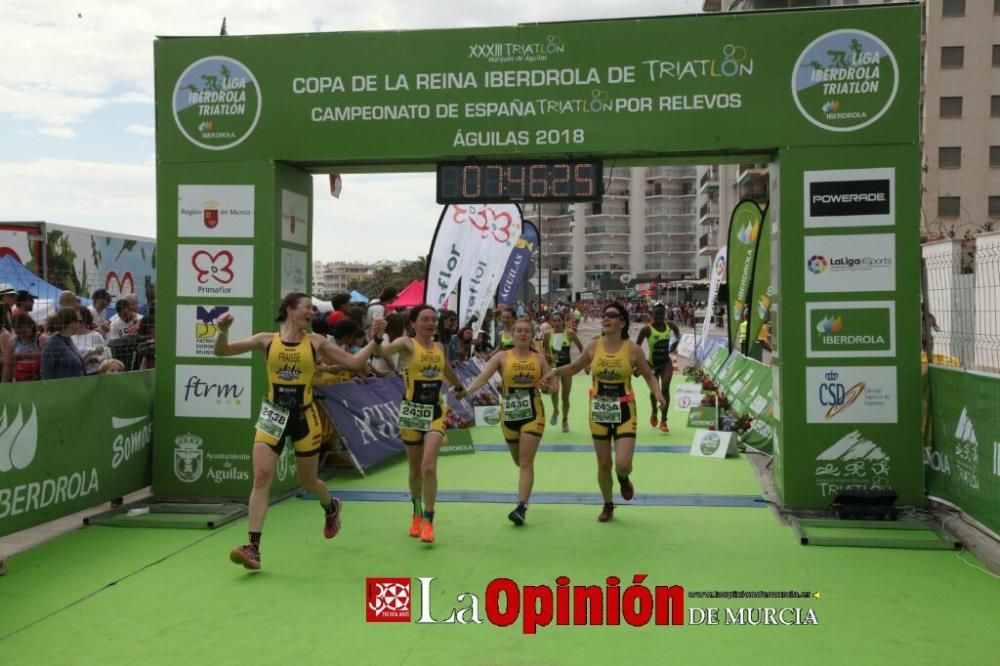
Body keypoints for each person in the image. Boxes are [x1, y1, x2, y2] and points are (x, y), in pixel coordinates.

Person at [214, 292, 386, 571]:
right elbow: (221, 351)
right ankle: (253, 548)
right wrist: (222, 331)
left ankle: (331, 506)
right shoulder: (266, 340)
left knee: (308, 482)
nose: (312, 313)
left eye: (312, 309)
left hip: (305, 416)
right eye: (307, 308)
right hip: (273, 415)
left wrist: (375, 340)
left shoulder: (316, 342)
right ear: (290, 310)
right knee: (260, 477)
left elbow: (355, 365)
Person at [543, 302, 666, 523]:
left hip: (625, 411)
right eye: (604, 315)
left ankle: (623, 478)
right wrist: (553, 372)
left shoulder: (633, 350)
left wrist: (657, 393)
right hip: (599, 411)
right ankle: (608, 504)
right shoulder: (593, 346)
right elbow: (573, 368)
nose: (606, 319)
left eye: (612, 315)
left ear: (622, 322)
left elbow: (648, 375)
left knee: (622, 464)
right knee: (603, 464)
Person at [373, 304, 464, 544]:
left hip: (435, 411)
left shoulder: (439, 346)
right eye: (425, 319)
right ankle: (416, 511)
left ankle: (429, 519)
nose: (431, 323)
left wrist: (459, 386)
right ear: (413, 323)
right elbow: (381, 352)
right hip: (412, 412)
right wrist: (375, 335)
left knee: (428, 466)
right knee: (414, 469)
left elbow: (446, 369)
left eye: (433, 319)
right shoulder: (406, 343)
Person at [457, 317, 552, 525]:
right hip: (509, 413)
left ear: (532, 335)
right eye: (518, 331)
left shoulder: (539, 358)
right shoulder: (501, 356)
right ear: (511, 334)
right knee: (519, 461)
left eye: (527, 331)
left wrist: (547, 386)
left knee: (526, 461)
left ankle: (521, 506)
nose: (523, 334)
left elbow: (552, 386)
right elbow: (482, 377)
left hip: (533, 412)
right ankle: (523, 498)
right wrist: (465, 392)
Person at [635, 302, 680, 432]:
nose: (659, 316)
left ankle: (664, 421)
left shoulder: (670, 325)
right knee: (655, 391)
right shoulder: (646, 329)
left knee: (665, 388)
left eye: (661, 314)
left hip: (666, 362)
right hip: (652, 363)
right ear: (652, 315)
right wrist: (638, 365)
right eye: (656, 314)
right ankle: (654, 411)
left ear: (665, 314)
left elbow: (677, 332)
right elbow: (636, 348)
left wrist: (675, 344)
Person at [542, 311, 583, 433]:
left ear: (563, 321)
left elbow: (582, 349)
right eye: (554, 320)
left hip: (567, 368)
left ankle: (565, 420)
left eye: (559, 320)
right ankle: (556, 410)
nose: (556, 323)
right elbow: (545, 351)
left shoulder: (569, 333)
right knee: (554, 392)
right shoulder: (547, 334)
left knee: (565, 396)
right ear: (551, 322)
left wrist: (583, 365)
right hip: (553, 368)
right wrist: (549, 356)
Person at [40, 308, 88, 379]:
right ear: (71, 323)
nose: (81, 325)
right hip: (61, 388)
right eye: (79, 321)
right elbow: (45, 373)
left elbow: (76, 364)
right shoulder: (52, 343)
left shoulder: (68, 339)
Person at [2, 314, 44, 382]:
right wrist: (6, 384)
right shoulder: (13, 342)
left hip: (38, 381)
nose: (21, 335)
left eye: (24, 332)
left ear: (31, 326)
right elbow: (8, 366)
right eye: (17, 333)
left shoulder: (41, 339)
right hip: (20, 382)